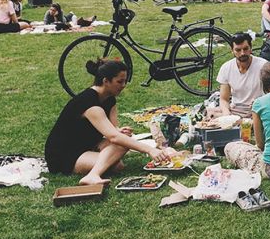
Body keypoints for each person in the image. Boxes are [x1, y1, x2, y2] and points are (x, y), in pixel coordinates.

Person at [45, 58, 176, 185]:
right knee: (116, 160)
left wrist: (119, 131)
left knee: (119, 154)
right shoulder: (90, 103)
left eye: (125, 81)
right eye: (120, 82)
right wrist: (150, 150)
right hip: (64, 155)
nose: (123, 85)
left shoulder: (110, 100)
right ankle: (92, 176)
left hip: (87, 146)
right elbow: (113, 137)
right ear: (106, 81)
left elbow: (114, 131)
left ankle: (96, 168)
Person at [216, 33, 266, 118]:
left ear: (251, 48)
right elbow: (224, 99)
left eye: (245, 49)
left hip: (259, 109)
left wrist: (260, 103)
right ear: (232, 51)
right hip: (235, 110)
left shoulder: (264, 66)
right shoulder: (226, 68)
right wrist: (226, 114)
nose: (242, 53)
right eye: (238, 50)